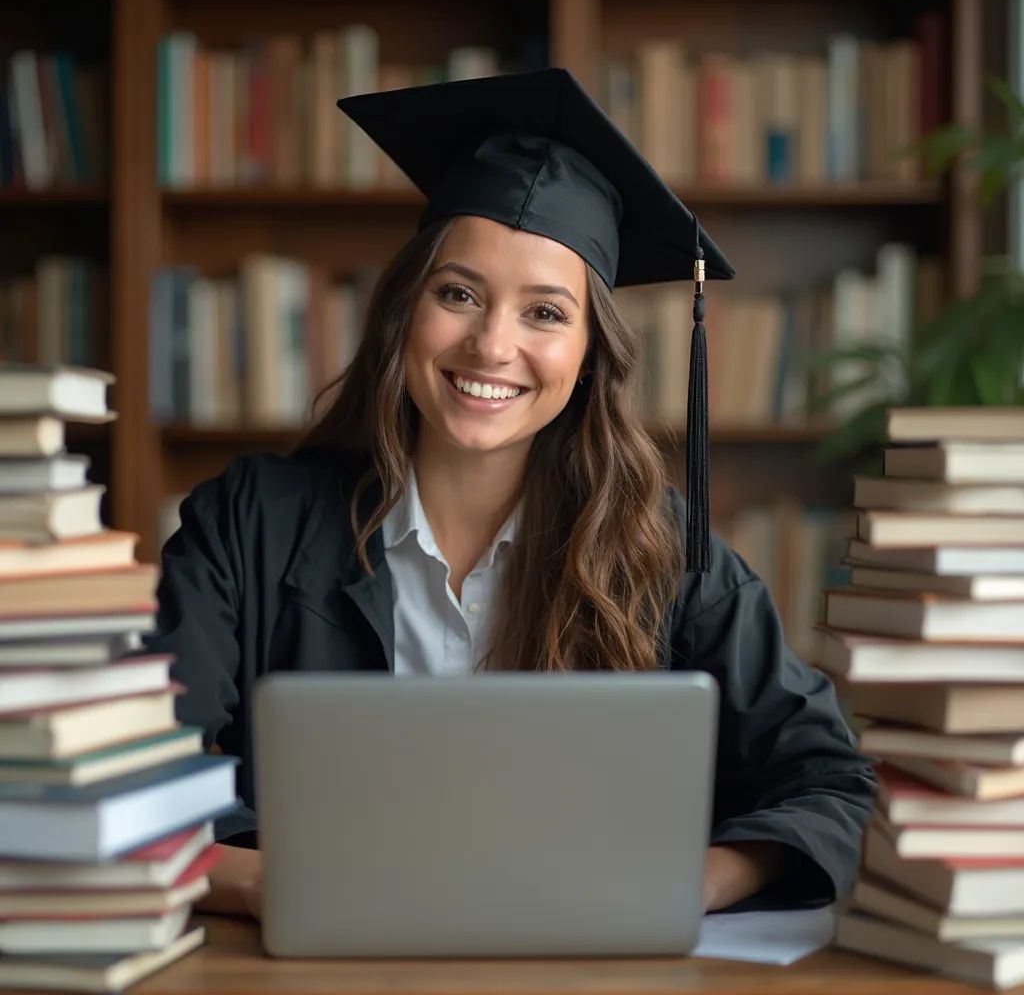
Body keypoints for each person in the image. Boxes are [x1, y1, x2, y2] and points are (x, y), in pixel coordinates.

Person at [144, 68, 875, 921]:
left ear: (591, 352)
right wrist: (292, 889)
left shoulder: (665, 554)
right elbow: (134, 781)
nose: (492, 344)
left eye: (546, 313)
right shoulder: (249, 524)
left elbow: (831, 782)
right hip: (313, 964)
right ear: (402, 312)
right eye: (458, 294)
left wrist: (684, 886)